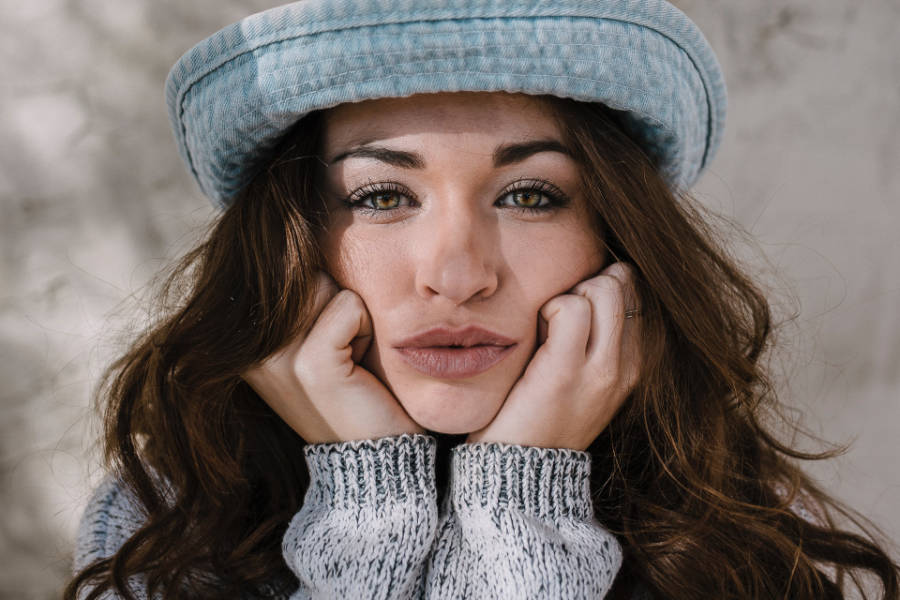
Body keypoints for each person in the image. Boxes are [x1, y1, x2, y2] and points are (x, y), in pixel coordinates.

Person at [65, 0, 899, 599]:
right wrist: (368, 511)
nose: (458, 276)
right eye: (382, 195)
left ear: (617, 240)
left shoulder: (745, 534)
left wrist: (521, 509)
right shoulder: (163, 523)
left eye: (530, 195)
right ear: (289, 241)